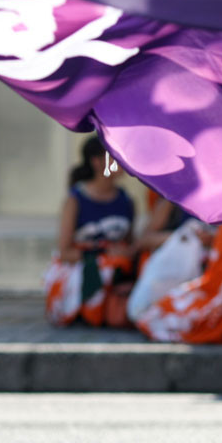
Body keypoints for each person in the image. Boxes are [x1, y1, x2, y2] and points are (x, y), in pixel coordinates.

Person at [44, 136, 136, 327]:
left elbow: (130, 244)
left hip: (117, 269)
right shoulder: (75, 199)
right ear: (96, 161)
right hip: (83, 265)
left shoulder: (127, 201)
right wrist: (101, 255)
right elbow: (65, 252)